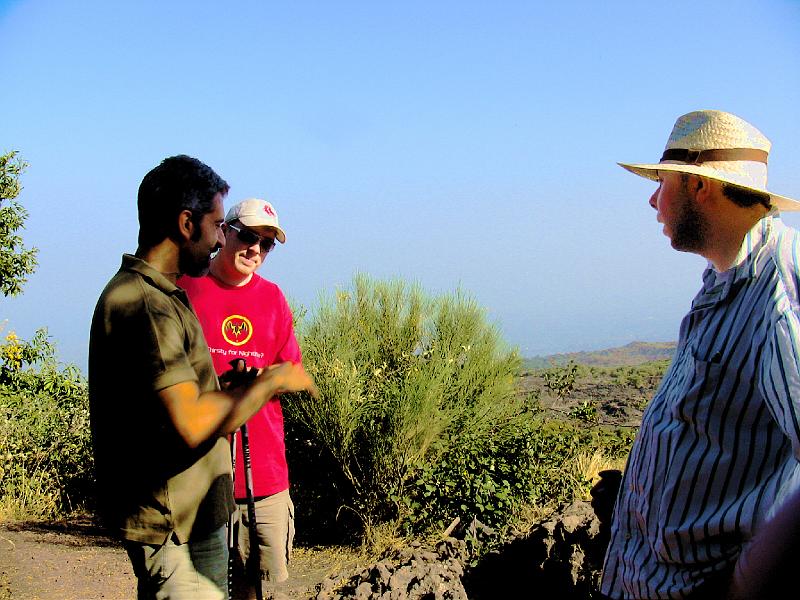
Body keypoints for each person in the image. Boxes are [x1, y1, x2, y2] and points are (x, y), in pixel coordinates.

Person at [88, 156, 317, 600]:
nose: (219, 240)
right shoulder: (148, 305)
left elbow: (179, 405)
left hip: (196, 512)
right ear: (186, 224)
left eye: (266, 244)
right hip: (175, 522)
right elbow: (192, 421)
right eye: (218, 226)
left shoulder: (163, 295)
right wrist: (268, 383)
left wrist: (232, 390)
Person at [594, 110, 800, 599]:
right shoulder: (725, 279)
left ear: (699, 187)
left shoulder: (777, 297)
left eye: (662, 183)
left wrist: (745, 581)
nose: (652, 200)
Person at [178, 198, 300, 596]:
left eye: (266, 244)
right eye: (247, 236)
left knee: (261, 589)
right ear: (223, 232)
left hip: (264, 477)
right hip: (198, 476)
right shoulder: (186, 289)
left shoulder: (274, 298)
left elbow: (291, 371)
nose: (255, 249)